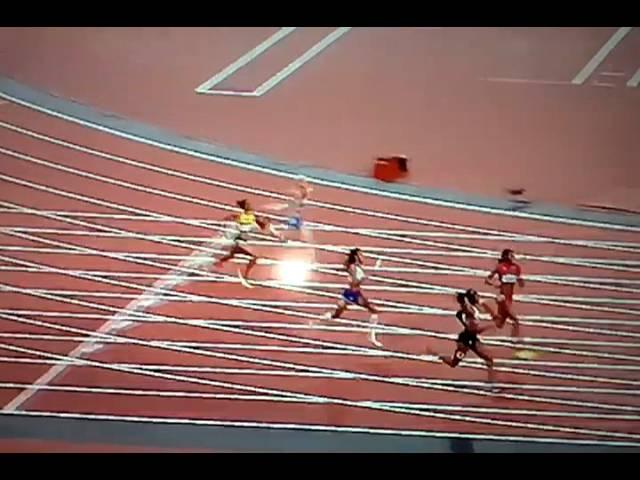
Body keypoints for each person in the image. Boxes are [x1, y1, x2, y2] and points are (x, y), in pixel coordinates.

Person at [429, 289, 497, 388]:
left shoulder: (473, 309)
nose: (478, 297)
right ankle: (437, 355)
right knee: (453, 363)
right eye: (476, 296)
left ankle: (492, 384)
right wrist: (488, 327)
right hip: (465, 341)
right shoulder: (469, 310)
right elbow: (474, 330)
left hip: (471, 339)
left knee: (489, 360)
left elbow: (464, 314)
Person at [212, 199, 282, 287]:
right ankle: (245, 274)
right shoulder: (249, 219)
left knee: (236, 254)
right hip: (242, 240)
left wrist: (277, 235)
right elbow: (242, 219)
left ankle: (221, 262)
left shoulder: (256, 219)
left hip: (244, 240)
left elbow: (269, 229)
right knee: (251, 257)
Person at [323, 248, 382, 347]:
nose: (363, 257)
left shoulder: (358, 267)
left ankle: (324, 318)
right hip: (353, 294)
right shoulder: (352, 267)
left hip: (352, 294)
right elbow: (354, 279)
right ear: (356, 257)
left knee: (337, 314)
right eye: (360, 255)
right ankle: (371, 337)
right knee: (374, 311)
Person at [485, 248, 524, 338]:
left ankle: (490, 310)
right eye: (511, 255)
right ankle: (516, 340)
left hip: (510, 298)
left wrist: (521, 281)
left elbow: (521, 284)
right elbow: (487, 279)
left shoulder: (516, 268)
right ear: (506, 256)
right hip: (502, 298)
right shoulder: (500, 267)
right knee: (515, 320)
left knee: (499, 324)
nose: (513, 257)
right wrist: (494, 283)